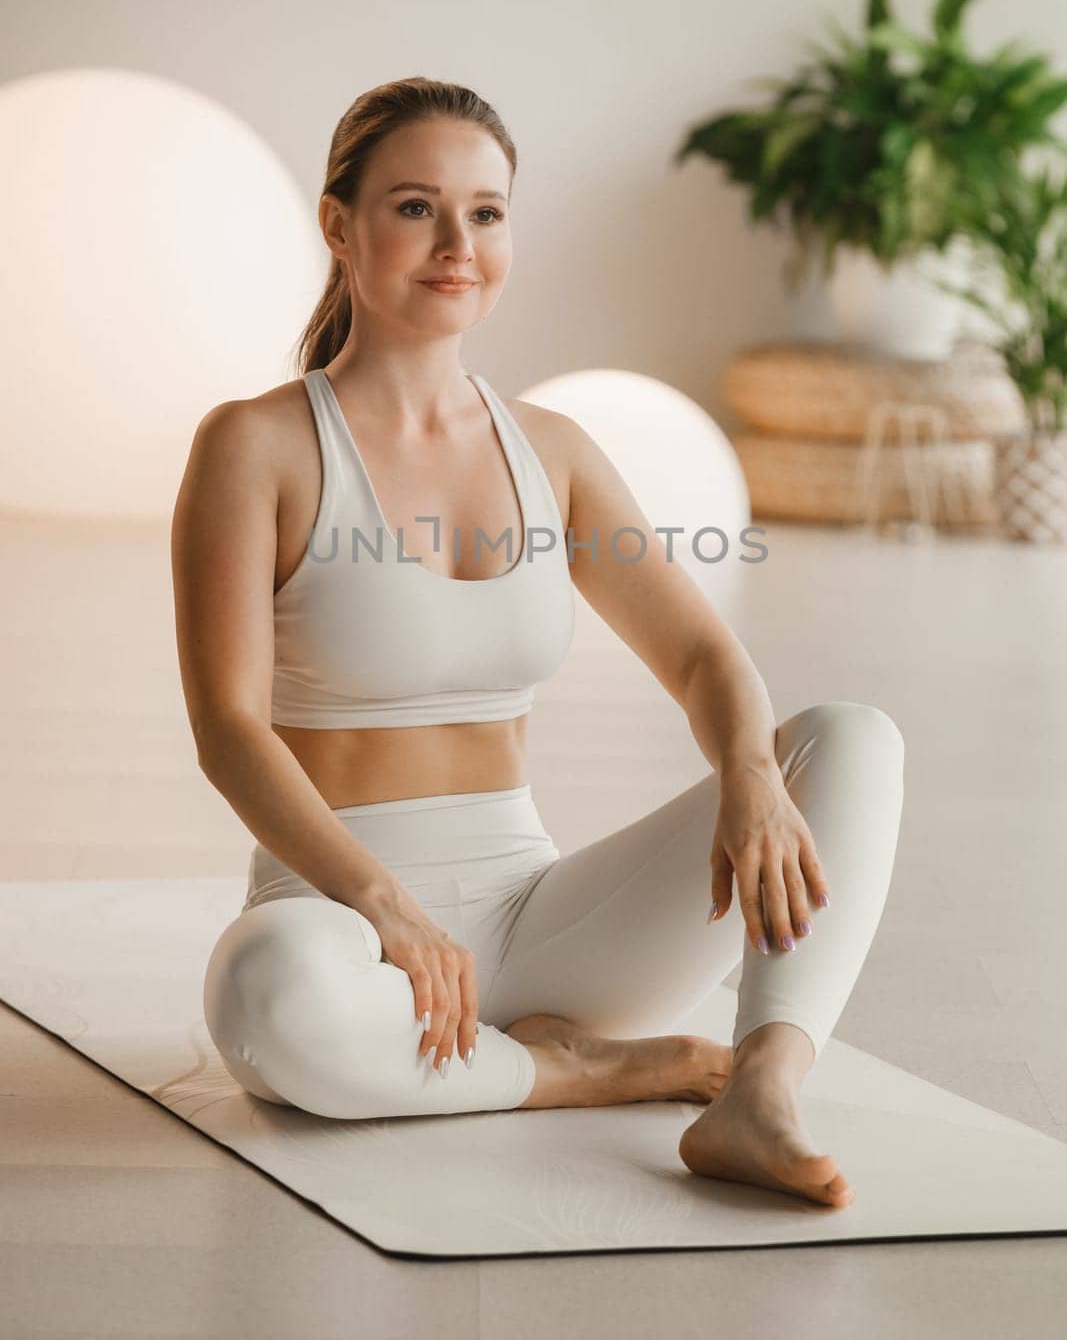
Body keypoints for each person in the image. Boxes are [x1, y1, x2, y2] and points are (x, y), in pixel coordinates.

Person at [171, 77, 905, 1211]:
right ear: (339, 224)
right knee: (265, 995)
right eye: (416, 207)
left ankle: (758, 1088)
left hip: (541, 922)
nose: (457, 244)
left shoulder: (552, 450)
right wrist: (381, 901)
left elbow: (706, 658)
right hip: (341, 924)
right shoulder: (256, 445)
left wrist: (752, 779)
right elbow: (227, 728)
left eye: (487, 211)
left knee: (850, 742)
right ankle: (576, 1070)